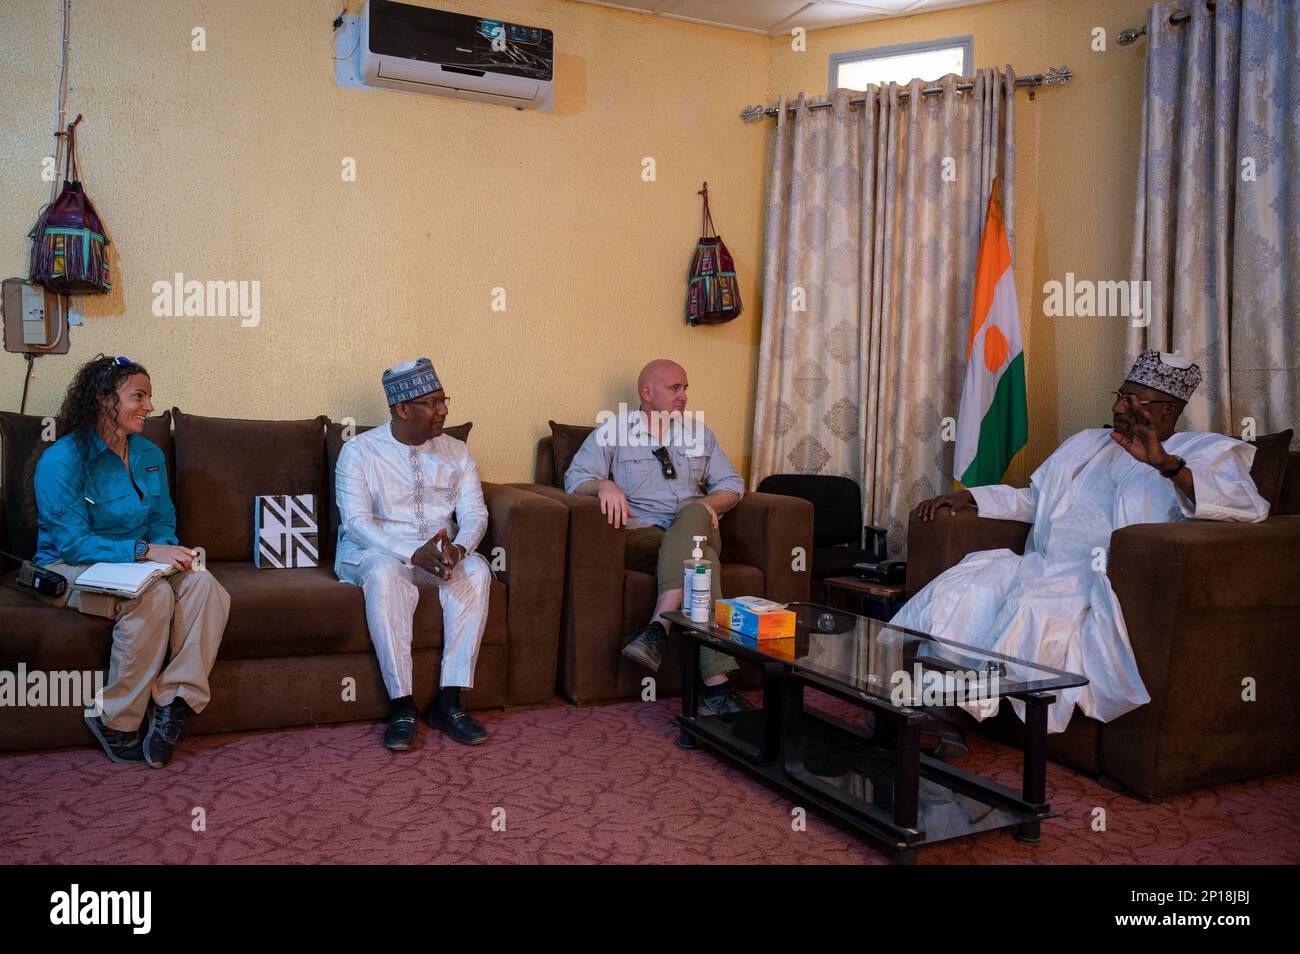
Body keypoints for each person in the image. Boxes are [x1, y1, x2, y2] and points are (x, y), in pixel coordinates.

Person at [895, 351, 1269, 752]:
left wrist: (1166, 464)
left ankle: (951, 711)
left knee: (1032, 608)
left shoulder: (1202, 451)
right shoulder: (1087, 442)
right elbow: (1036, 500)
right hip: (1042, 562)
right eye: (1120, 395)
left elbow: (1248, 508)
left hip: (1095, 576)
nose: (1118, 407)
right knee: (970, 584)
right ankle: (937, 712)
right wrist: (971, 497)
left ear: (1169, 409)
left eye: (1134, 401)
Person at [30, 354, 229, 768]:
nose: (149, 406)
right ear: (105, 400)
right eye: (138, 396)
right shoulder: (62, 461)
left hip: (138, 565)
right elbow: (72, 544)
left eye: (150, 397)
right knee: (153, 597)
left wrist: (166, 553)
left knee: (206, 585)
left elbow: (161, 521)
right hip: (71, 567)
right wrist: (143, 554)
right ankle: (114, 720)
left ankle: (172, 706)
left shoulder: (148, 453)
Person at [564, 359, 751, 715]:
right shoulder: (612, 432)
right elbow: (575, 480)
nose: (683, 396)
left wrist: (707, 504)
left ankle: (656, 630)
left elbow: (732, 486)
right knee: (703, 562)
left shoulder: (700, 434)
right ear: (646, 393)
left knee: (694, 512)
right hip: (642, 535)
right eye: (674, 388)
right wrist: (604, 484)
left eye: (685, 388)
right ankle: (716, 689)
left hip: (695, 525)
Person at [335, 358, 493, 750]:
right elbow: (356, 522)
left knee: (477, 571)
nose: (443, 411)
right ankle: (402, 705)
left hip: (440, 554)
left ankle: (448, 702)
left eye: (444, 400)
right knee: (386, 574)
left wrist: (459, 548)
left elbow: (475, 513)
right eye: (433, 403)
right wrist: (411, 553)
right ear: (402, 410)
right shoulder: (359, 452)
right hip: (373, 552)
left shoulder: (456, 451)